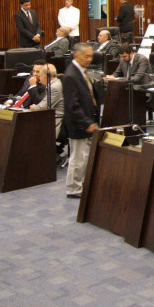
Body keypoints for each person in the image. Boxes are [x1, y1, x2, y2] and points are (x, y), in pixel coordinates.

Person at [63, 43, 99, 198]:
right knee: (77, 157)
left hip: (88, 121)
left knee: (85, 156)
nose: (89, 59)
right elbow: (72, 106)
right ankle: (73, 188)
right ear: (76, 56)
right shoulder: (71, 75)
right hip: (78, 124)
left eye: (91, 56)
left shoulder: (82, 72)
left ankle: (82, 183)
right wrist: (87, 123)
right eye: (86, 56)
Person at [30, 64, 65, 137]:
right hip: (50, 118)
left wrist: (33, 107)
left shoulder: (54, 87)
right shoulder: (55, 84)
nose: (40, 79)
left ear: (44, 75)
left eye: (40, 76)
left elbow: (42, 107)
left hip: (55, 121)